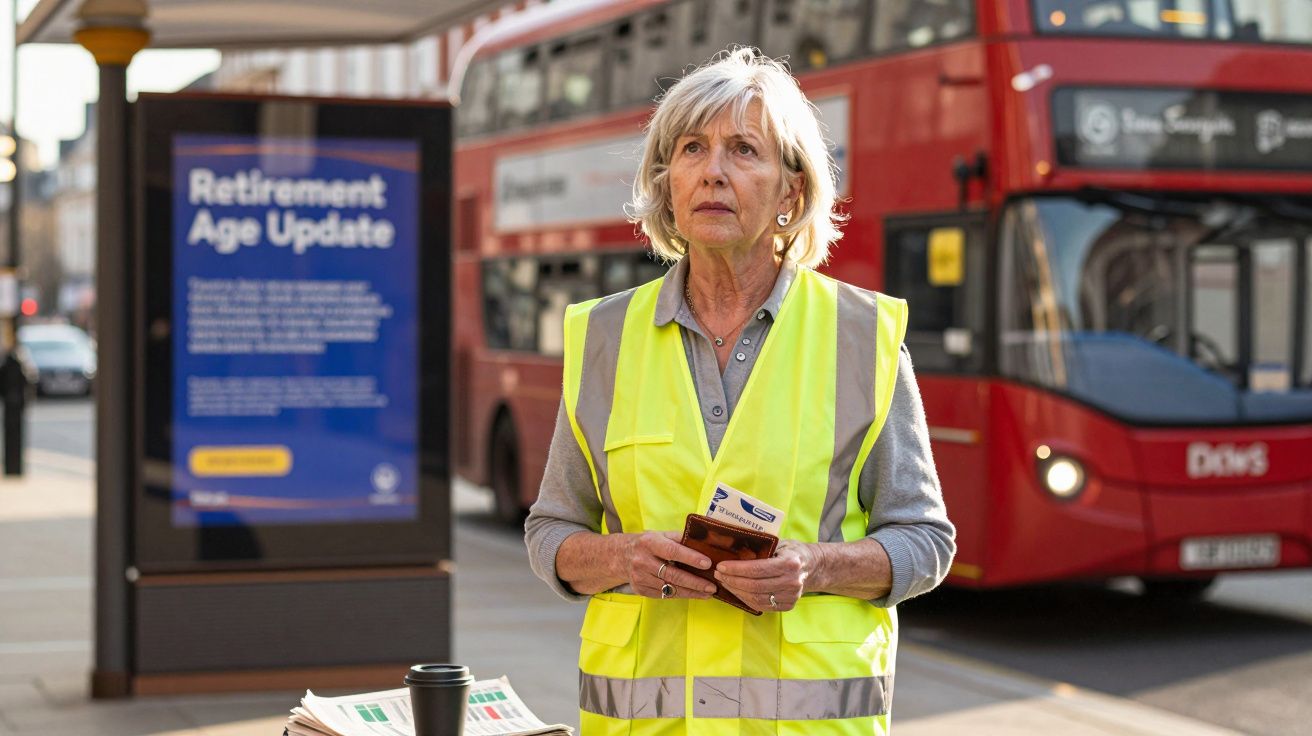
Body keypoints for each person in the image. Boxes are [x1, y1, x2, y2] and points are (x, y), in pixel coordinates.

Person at [524, 47, 955, 734]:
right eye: (692, 148)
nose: (713, 171)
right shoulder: (604, 335)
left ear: (791, 193)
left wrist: (815, 567)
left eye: (744, 150)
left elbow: (925, 541)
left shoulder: (861, 335)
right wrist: (621, 557)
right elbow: (551, 530)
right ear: (667, 183)